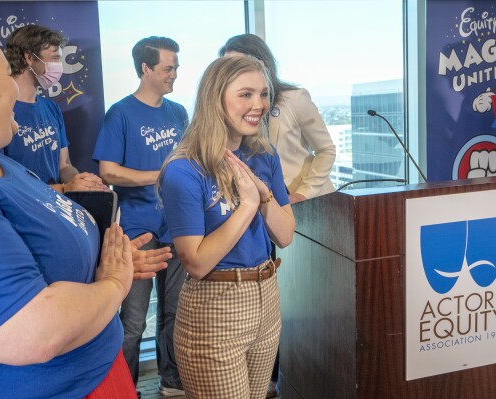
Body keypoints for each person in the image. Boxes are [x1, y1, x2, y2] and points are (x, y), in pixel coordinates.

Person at [0, 12, 171, 399]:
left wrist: (104, 261)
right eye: (6, 73)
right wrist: (113, 283)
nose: (15, 87)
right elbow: (34, 332)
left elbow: (33, 251)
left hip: (93, 372)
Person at [158, 55, 296, 398]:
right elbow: (197, 262)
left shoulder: (265, 156)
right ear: (215, 98)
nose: (259, 105)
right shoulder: (184, 170)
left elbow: (286, 234)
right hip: (216, 305)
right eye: (245, 94)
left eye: (263, 94)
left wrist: (263, 197)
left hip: (267, 296)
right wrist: (247, 205)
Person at [92, 36, 188, 397]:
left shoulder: (178, 112)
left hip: (178, 226)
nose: (174, 74)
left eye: (176, 67)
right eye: (168, 68)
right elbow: (108, 171)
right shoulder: (120, 113)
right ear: (146, 68)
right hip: (137, 233)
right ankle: (125, 389)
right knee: (132, 324)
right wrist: (159, 175)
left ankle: (172, 382)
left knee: (174, 313)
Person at [220, 33, 336, 204]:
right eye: (226, 66)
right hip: (266, 202)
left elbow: (326, 151)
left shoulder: (295, 99)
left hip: (308, 201)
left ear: (261, 64)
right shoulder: (230, 108)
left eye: (239, 64)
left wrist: (304, 193)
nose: (232, 71)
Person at [3, 24, 107, 193]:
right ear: (29, 58)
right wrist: (64, 188)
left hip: (56, 209)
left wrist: (80, 181)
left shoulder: (51, 108)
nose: (59, 66)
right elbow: (5, 183)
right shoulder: (1, 112)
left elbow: (64, 166)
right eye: (54, 58)